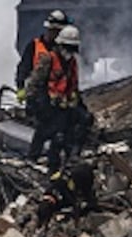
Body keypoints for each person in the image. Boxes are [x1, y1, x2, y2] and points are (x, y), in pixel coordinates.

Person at [27, 24, 89, 171]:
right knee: (46, 132)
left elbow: (73, 87)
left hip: (64, 106)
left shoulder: (72, 63)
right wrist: (35, 104)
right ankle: (34, 160)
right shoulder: (48, 59)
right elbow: (35, 83)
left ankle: (71, 158)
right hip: (47, 105)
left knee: (82, 121)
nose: (70, 52)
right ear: (60, 45)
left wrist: (79, 104)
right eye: (68, 47)